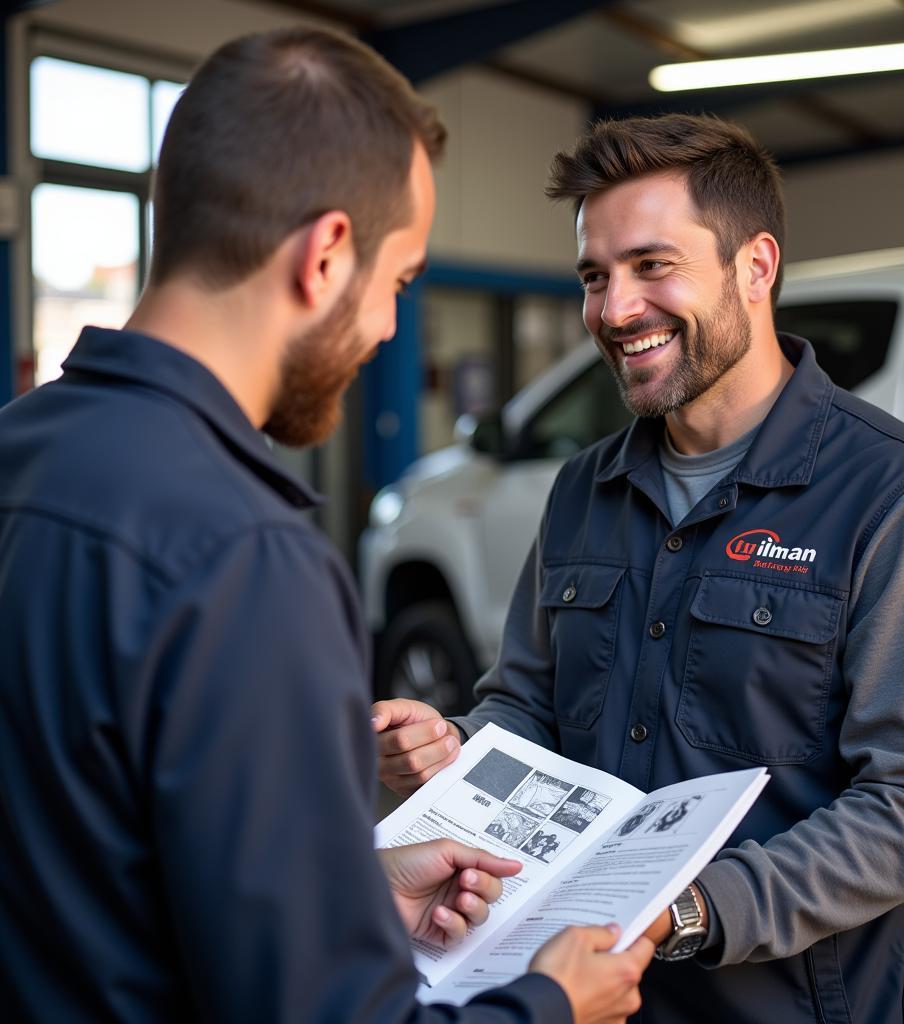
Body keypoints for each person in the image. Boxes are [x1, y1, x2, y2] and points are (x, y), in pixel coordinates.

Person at [0, 28, 654, 1024]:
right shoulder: (242, 557)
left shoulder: (21, 450)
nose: (392, 326)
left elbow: (87, 860)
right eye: (396, 283)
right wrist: (548, 1002)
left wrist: (351, 893)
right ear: (327, 253)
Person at [372, 113, 904, 1022]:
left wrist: (695, 910)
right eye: (596, 276)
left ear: (755, 267)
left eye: (652, 266)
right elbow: (529, 702)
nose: (615, 309)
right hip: (587, 994)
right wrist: (459, 750)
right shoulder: (583, 489)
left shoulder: (899, 501)